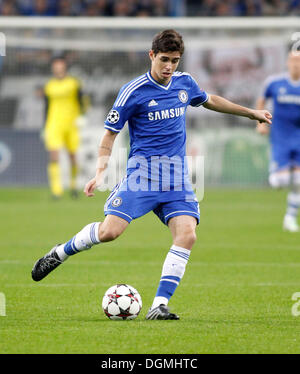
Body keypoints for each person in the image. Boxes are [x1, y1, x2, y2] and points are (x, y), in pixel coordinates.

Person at [32, 30, 272, 320]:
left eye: (174, 60)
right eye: (164, 60)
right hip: (141, 177)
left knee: (187, 235)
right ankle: (61, 252)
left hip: (176, 180)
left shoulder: (185, 83)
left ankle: (158, 305)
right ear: (151, 56)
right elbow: (109, 135)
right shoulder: (134, 91)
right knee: (110, 232)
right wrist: (99, 173)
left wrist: (251, 113)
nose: (169, 66)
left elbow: (210, 100)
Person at [256, 51, 300, 232]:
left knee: (299, 181)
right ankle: (276, 173)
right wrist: (260, 123)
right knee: (278, 181)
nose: (296, 64)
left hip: (299, 137)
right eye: (293, 60)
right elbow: (261, 100)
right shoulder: (274, 82)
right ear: (287, 62)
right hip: (280, 137)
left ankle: (290, 217)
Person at [43, 56, 87, 199]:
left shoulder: (74, 83)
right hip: (54, 124)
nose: (58, 69)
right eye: (56, 66)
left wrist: (82, 116)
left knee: (72, 157)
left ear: (64, 67)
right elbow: (47, 106)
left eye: (60, 66)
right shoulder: (49, 86)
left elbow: (82, 101)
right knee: (54, 156)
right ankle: (57, 191)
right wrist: (44, 126)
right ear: (53, 68)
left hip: (71, 124)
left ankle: (73, 186)